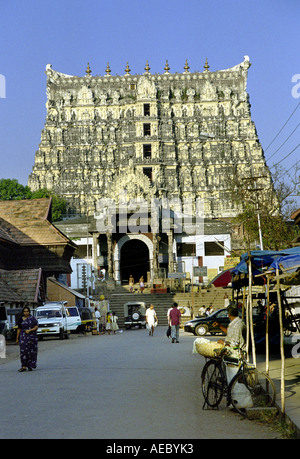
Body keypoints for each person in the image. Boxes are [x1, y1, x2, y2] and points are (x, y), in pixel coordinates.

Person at [16, 306, 38, 372]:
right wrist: (17, 338)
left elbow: (36, 326)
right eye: (24, 311)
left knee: (31, 351)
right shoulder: (20, 319)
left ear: (29, 312)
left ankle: (30, 365)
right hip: (23, 337)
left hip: (32, 337)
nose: (26, 313)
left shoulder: (32, 319)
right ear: (23, 312)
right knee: (23, 351)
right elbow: (19, 329)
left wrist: (30, 330)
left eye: (27, 311)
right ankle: (23, 366)